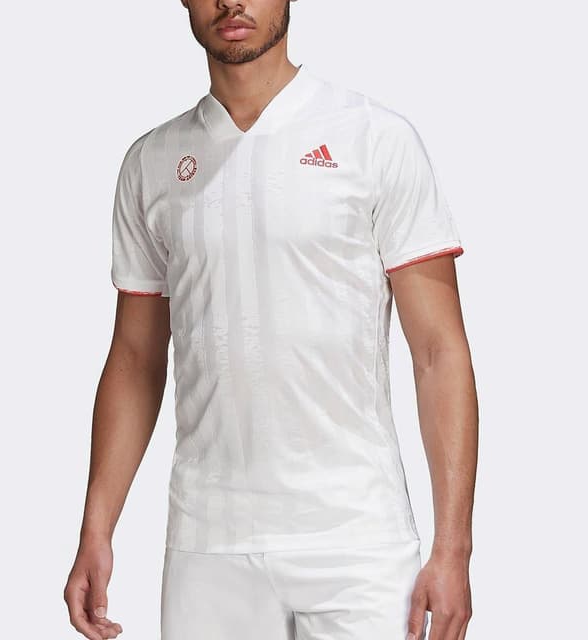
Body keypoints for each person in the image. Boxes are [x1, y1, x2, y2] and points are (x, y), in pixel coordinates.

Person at [64, 1, 478, 639]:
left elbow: (438, 352)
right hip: (209, 545)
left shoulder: (373, 138)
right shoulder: (152, 161)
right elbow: (136, 359)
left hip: (356, 541)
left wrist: (454, 549)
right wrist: (96, 529)